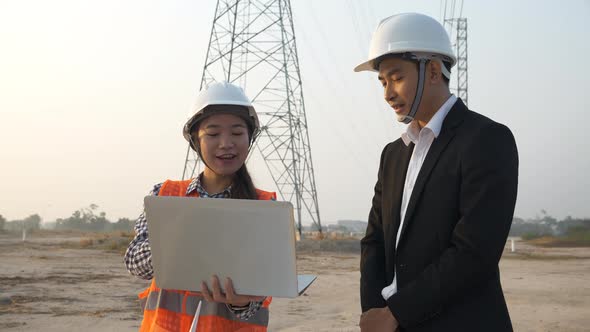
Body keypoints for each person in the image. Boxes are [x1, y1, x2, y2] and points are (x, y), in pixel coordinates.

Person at [355, 13, 518, 331]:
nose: (387, 93)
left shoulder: (486, 139)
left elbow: (474, 253)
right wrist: (375, 310)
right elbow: (374, 241)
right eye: (383, 82)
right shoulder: (393, 154)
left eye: (396, 77)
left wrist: (395, 314)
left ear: (431, 71)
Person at [124, 82, 275, 332]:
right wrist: (176, 240)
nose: (226, 143)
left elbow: (263, 291)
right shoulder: (166, 195)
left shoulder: (264, 207)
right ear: (196, 141)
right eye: (213, 134)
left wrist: (243, 301)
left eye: (237, 133)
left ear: (250, 138)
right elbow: (135, 263)